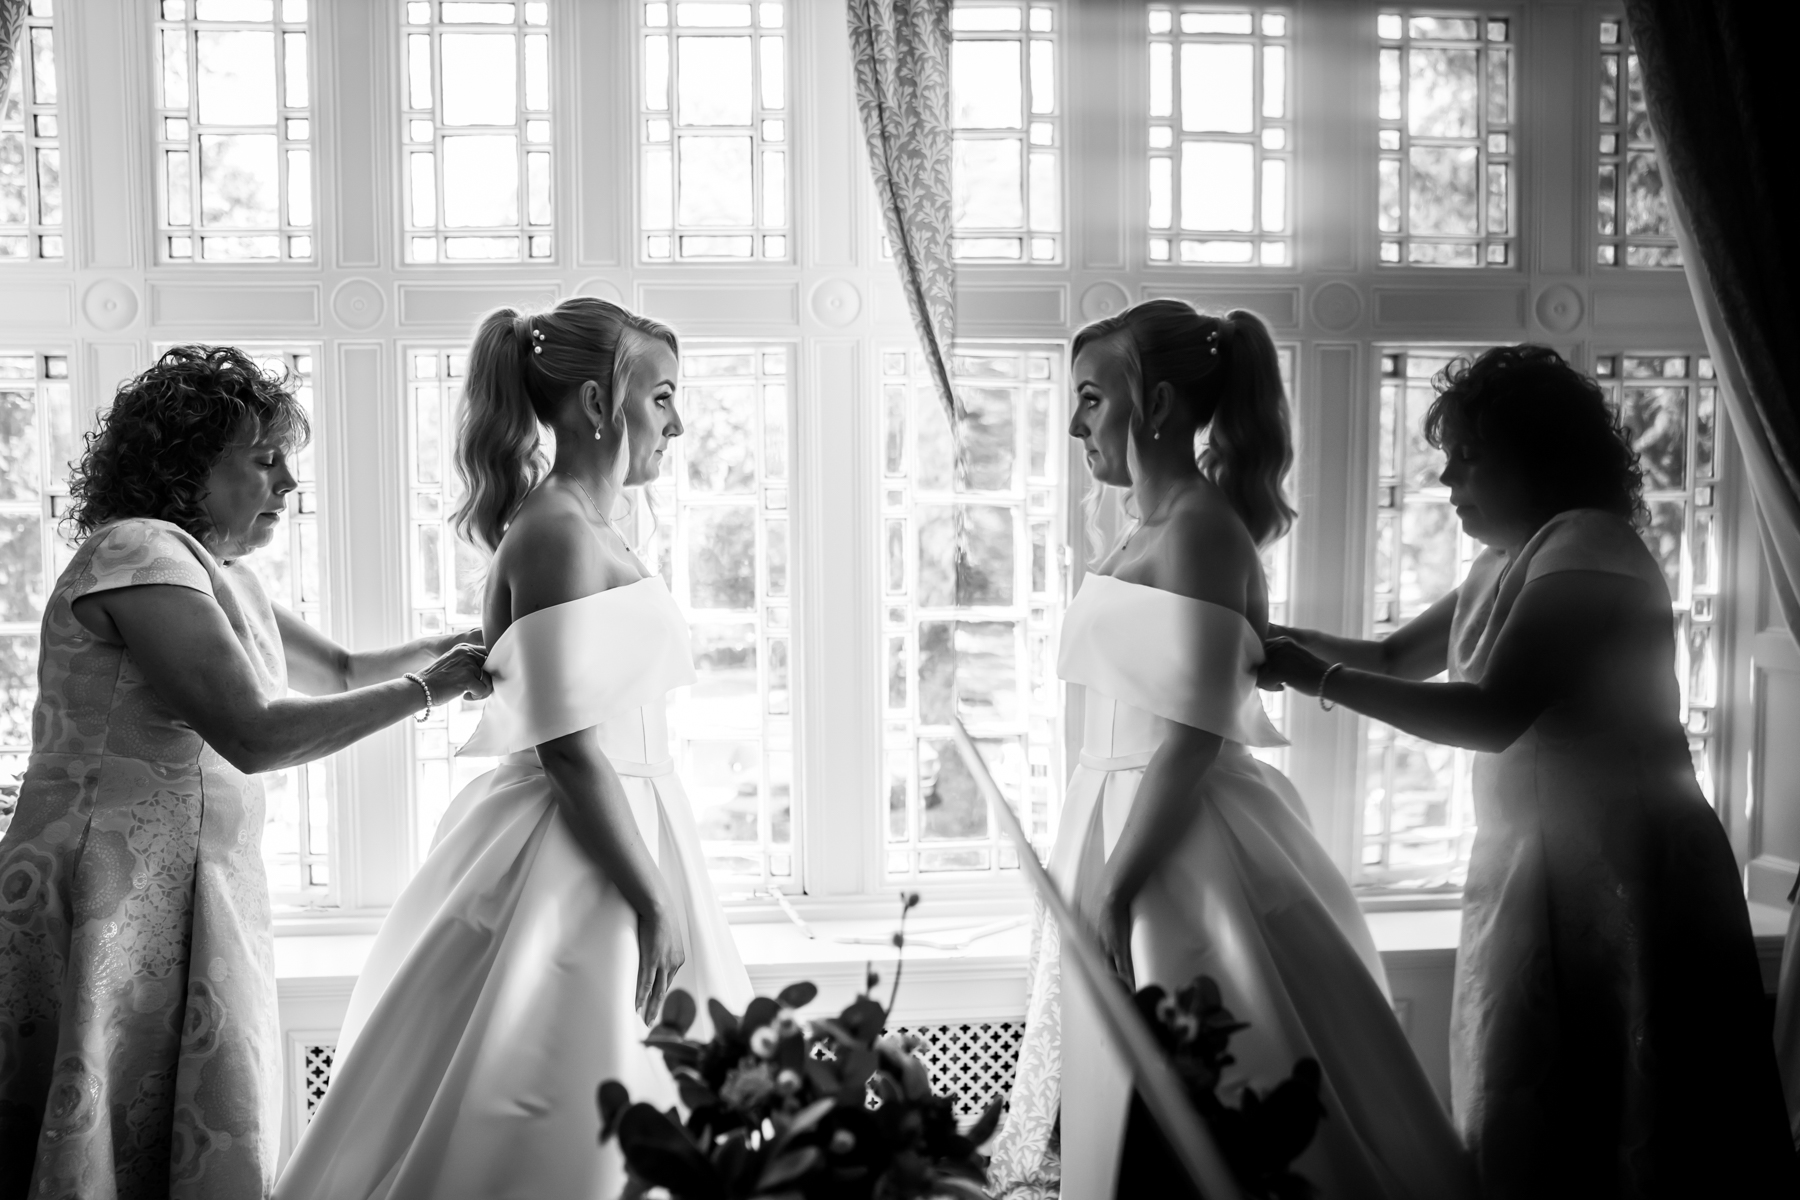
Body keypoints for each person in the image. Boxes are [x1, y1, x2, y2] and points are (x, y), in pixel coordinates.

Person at [1261, 345, 1798, 1197]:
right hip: (1535, 863)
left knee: (1632, 1107)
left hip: (1625, 874)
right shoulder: (1505, 559)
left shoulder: (1590, 547)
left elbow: (1492, 713)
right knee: (1539, 1096)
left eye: (1469, 456)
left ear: (1539, 455)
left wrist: (1315, 678)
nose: (1446, 478)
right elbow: (1395, 657)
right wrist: (1265, 638)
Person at [989, 301, 1475, 1200]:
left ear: (1156, 403)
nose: (1075, 425)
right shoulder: (1139, 525)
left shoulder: (1201, 531)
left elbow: (1191, 734)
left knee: (1198, 1087)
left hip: (1180, 838)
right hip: (1118, 816)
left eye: (1091, 398)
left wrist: (1118, 886)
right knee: (1121, 1085)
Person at [275, 298, 752, 1200]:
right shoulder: (558, 533)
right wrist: (652, 898)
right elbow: (568, 747)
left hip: (629, 815)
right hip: (572, 841)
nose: (678, 424)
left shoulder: (593, 526)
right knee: (562, 1084)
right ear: (597, 403)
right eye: (662, 397)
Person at [0, 346, 491, 1200]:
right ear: (184, 465)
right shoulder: (138, 551)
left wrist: (459, 644)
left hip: (190, 883)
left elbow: (341, 671)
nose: (289, 484)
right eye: (265, 461)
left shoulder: (220, 572)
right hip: (108, 887)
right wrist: (431, 689)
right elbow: (254, 733)